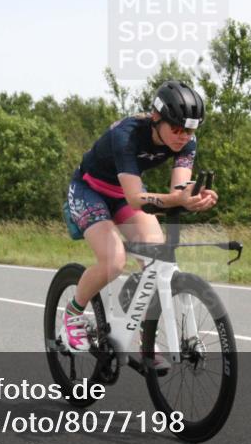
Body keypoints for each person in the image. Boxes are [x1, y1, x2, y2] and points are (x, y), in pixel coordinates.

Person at [62, 80, 218, 354]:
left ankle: (145, 338)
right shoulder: (127, 134)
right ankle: (73, 314)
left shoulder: (187, 142)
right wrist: (179, 199)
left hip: (122, 193)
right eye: (178, 128)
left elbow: (177, 191)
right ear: (157, 118)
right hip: (90, 188)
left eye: (191, 129)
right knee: (114, 261)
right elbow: (136, 199)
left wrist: (193, 198)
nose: (184, 136)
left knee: (157, 256)